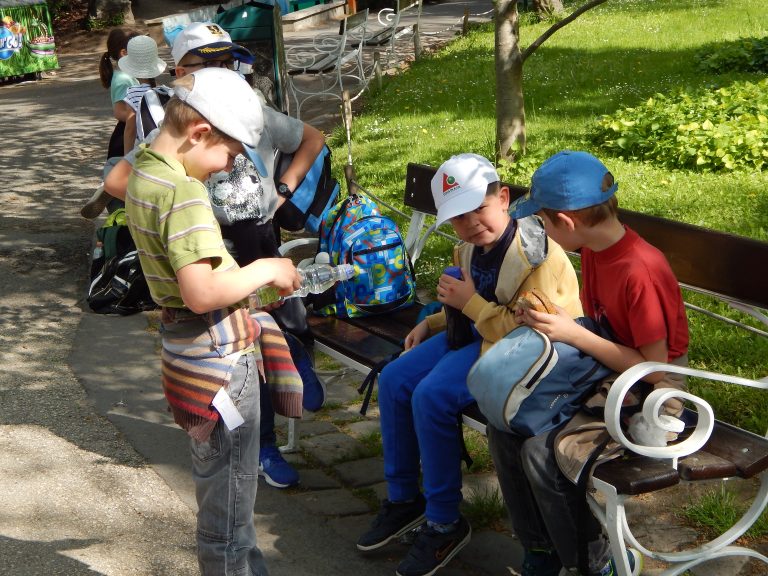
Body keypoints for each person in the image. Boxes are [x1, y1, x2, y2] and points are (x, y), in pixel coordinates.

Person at [105, 22, 327, 489]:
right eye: (209, 64)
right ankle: (264, 444)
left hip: (254, 239)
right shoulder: (177, 168)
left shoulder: (242, 110)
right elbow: (119, 181)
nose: (223, 70)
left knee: (283, 316)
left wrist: (283, 190)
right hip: (214, 264)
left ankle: (293, 364)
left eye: (227, 61)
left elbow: (311, 137)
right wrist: (176, 220)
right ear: (182, 74)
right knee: (241, 375)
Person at [356, 153, 582, 576]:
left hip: (528, 353)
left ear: (503, 198)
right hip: (482, 334)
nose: (472, 222)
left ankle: (444, 521)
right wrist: (432, 322)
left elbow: (530, 330)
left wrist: (469, 303)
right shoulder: (470, 249)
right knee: (395, 378)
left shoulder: (536, 257)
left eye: (479, 208)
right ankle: (404, 499)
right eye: (459, 217)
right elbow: (468, 305)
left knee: (432, 396)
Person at [125, 66, 302, 575]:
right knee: (229, 509)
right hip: (220, 360)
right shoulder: (183, 192)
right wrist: (266, 269)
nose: (230, 166)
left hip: (185, 352)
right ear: (200, 133)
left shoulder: (145, 170)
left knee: (227, 497)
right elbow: (201, 292)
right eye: (229, 154)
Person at [489, 150, 690, 576]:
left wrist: (573, 334)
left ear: (566, 222)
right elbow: (601, 329)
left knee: (542, 453)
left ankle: (598, 563)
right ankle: (540, 550)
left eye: (542, 221)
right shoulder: (596, 249)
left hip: (655, 397)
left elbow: (656, 371)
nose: (541, 229)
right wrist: (554, 322)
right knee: (504, 427)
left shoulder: (639, 269)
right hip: (607, 373)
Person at [117, 34, 167, 156]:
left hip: (146, 151)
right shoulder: (165, 91)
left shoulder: (133, 93)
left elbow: (130, 129)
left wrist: (126, 158)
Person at [98, 27, 140, 161]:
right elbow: (119, 112)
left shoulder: (127, 76)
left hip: (131, 133)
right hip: (124, 140)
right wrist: (140, 116)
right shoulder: (123, 80)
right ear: (124, 53)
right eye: (138, 51)